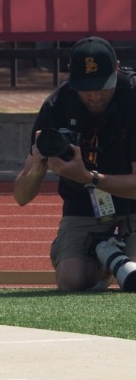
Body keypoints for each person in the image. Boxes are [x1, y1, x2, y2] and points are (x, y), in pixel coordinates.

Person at [14, 36, 136, 292]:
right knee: (72, 280)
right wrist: (38, 165)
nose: (94, 96)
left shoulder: (133, 97)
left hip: (132, 204)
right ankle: (103, 256)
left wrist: (88, 177)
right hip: (85, 205)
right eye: (85, 87)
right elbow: (21, 196)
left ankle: (112, 256)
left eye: (102, 86)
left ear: (116, 68)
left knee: (134, 276)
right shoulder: (57, 105)